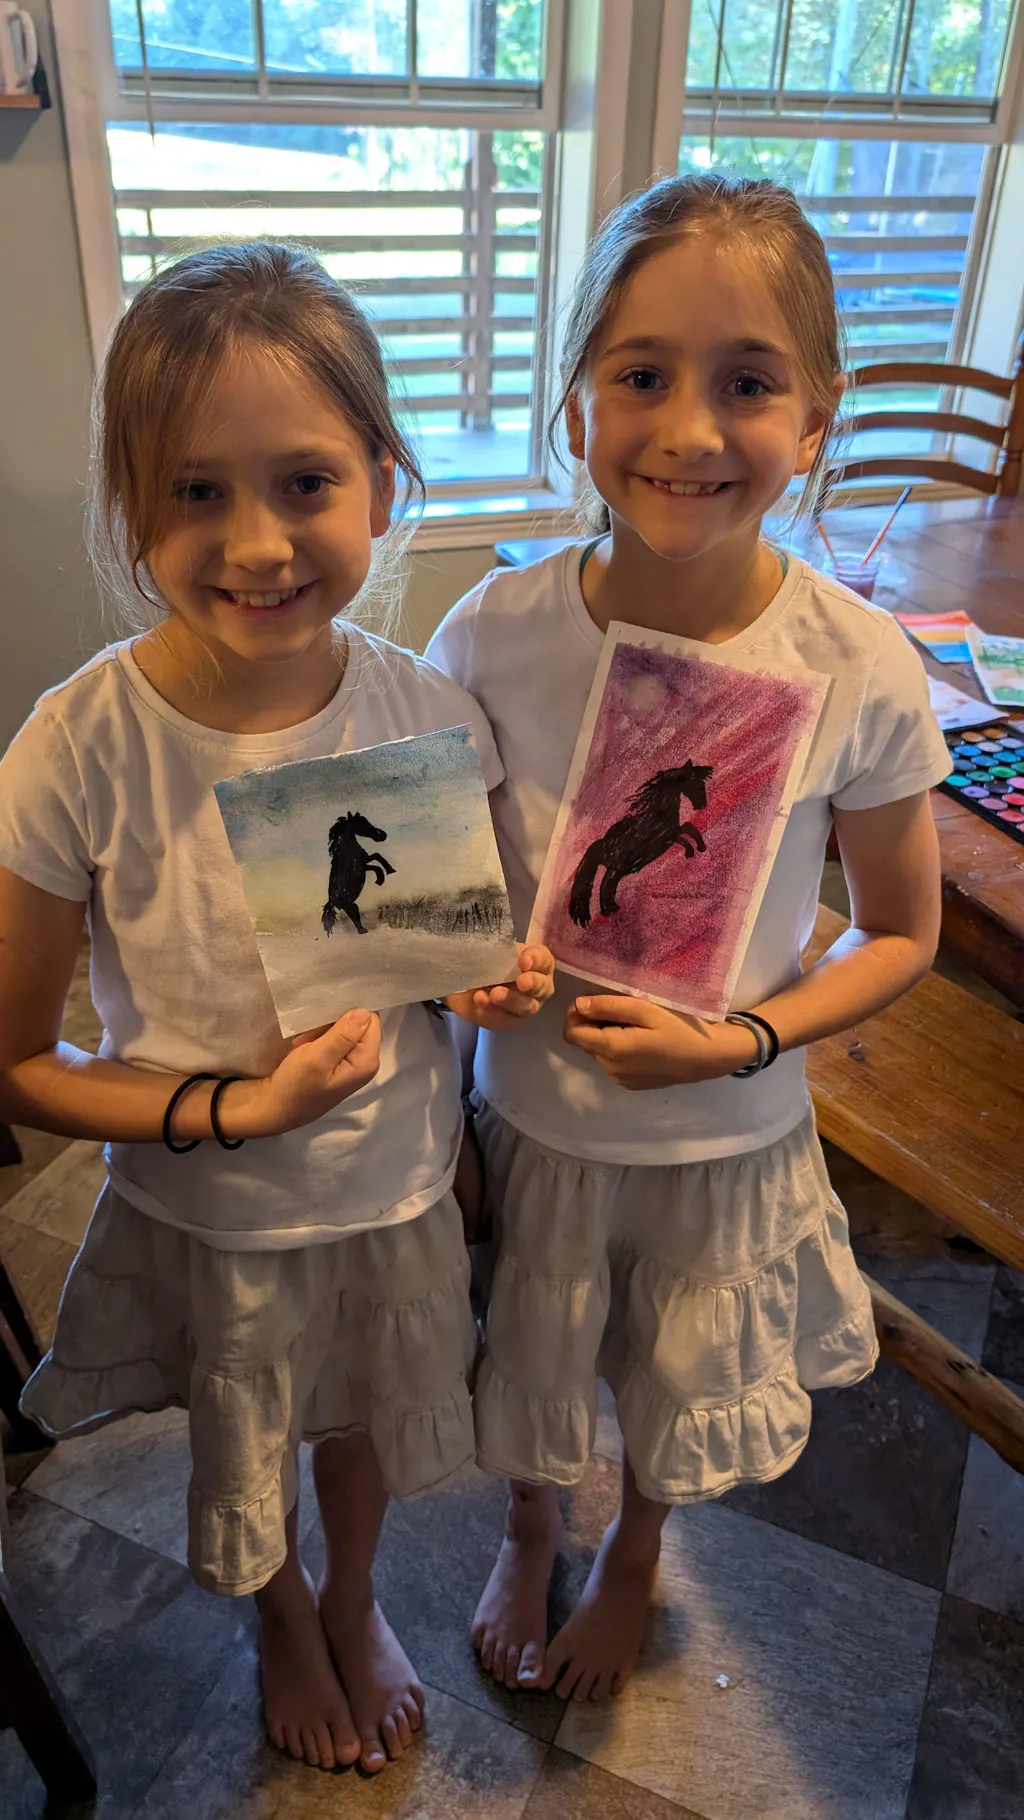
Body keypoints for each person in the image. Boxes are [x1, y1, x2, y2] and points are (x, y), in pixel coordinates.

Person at [0, 243, 553, 1774]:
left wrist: (483, 979)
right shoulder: (77, 748)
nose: (257, 544)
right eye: (197, 492)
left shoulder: (424, 711)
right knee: (249, 1424)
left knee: (361, 1413)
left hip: (389, 1183)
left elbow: (429, 958)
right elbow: (20, 1064)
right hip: (215, 1205)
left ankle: (354, 1592)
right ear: (133, 505)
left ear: (383, 480)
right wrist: (241, 1109)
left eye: (305, 482)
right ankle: (285, 1611)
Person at [426, 175, 951, 1706]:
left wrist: (743, 1037)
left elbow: (901, 931)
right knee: (532, 1350)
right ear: (576, 399)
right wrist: (463, 971)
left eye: (748, 383)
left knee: (675, 1375)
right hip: (534, 1114)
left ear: (818, 415)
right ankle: (532, 1526)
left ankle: (640, 1550)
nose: (690, 430)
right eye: (642, 375)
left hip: (727, 1135)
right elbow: (448, 889)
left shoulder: (859, 662)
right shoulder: (491, 633)